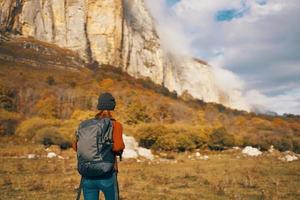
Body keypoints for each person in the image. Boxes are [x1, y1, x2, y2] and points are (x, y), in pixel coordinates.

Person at [72, 92, 125, 200]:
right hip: (107, 174)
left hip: (87, 174)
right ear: (112, 106)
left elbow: (75, 146)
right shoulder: (115, 125)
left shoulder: (86, 124)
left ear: (99, 106)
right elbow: (117, 147)